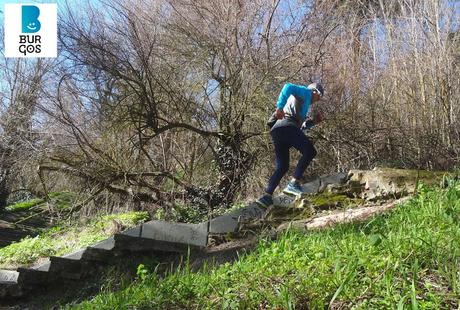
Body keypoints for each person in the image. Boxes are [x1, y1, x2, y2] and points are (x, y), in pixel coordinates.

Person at [256, 82, 324, 208]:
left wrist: (313, 122)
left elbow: (300, 128)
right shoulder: (306, 92)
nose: (317, 101)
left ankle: (266, 196)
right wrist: (279, 107)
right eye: (319, 97)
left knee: (282, 167)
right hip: (287, 126)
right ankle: (293, 183)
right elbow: (288, 87)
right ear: (315, 91)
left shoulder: (301, 105)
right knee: (310, 151)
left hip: (278, 130)